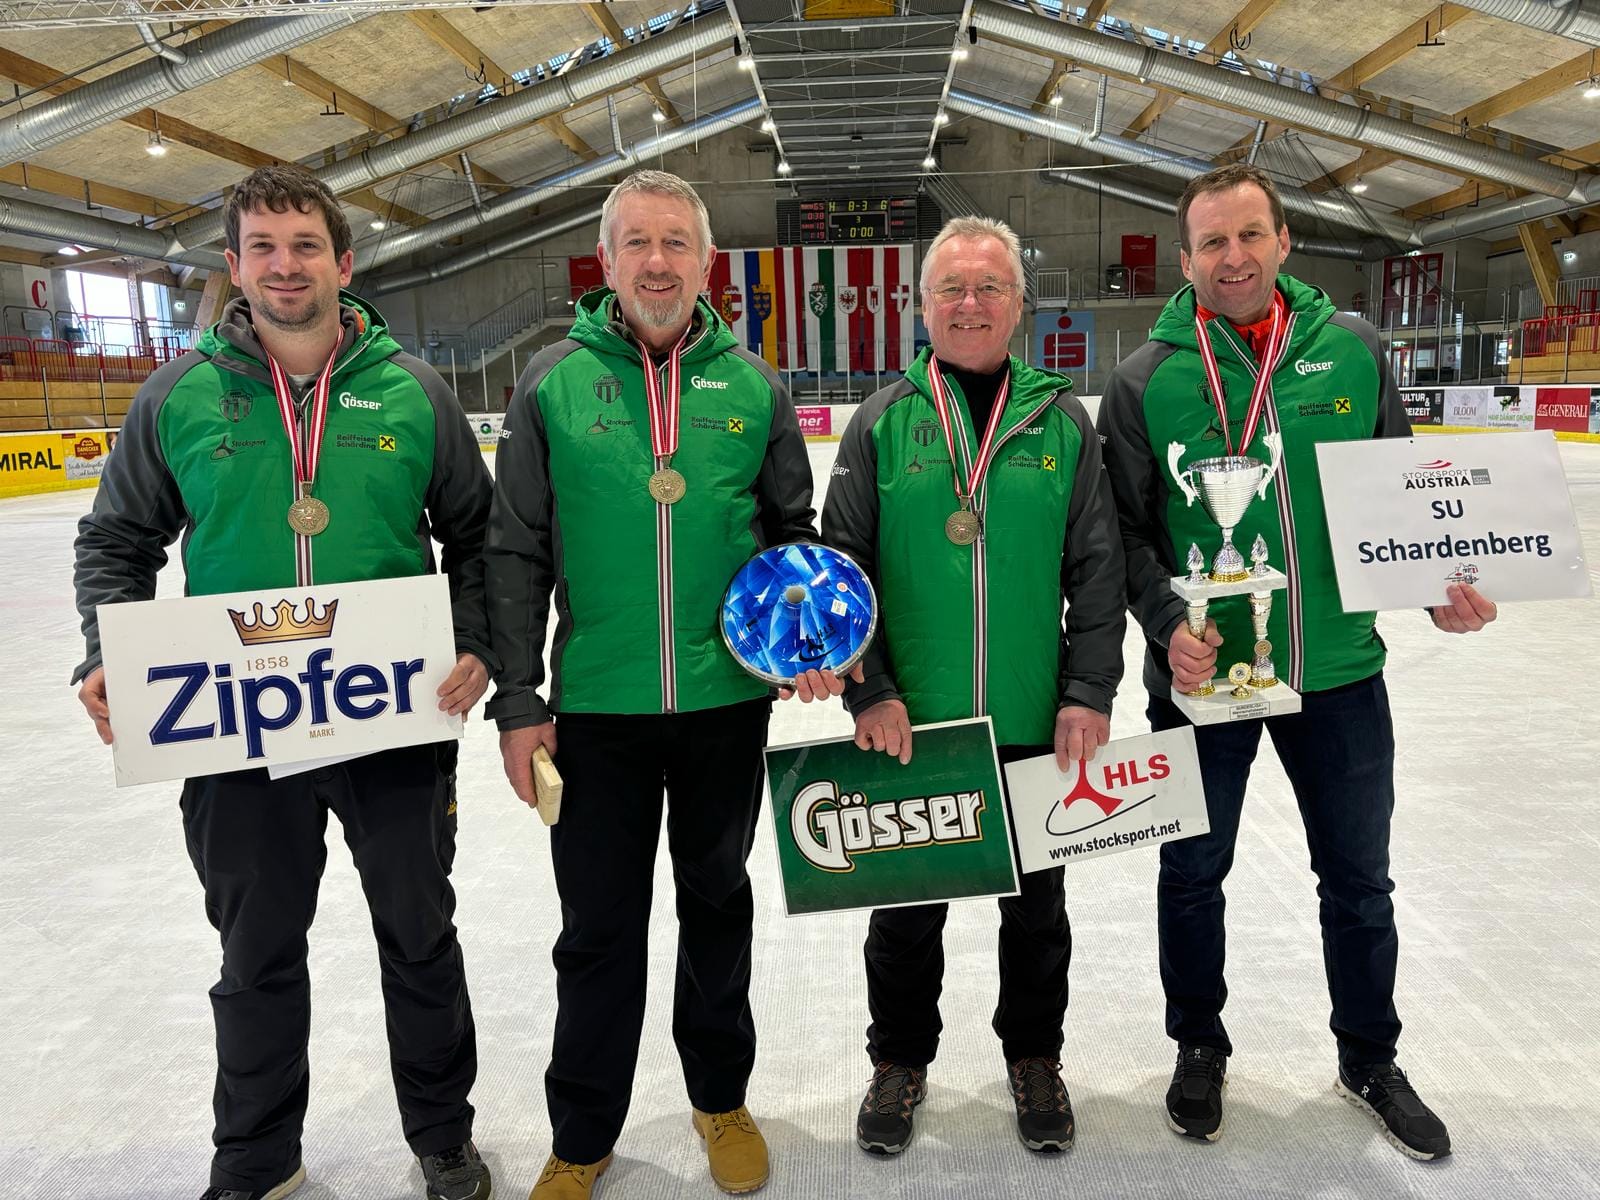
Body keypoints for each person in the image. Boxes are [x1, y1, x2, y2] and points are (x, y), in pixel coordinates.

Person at [71, 166, 495, 1200]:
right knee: (255, 949)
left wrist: (478, 638)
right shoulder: (178, 396)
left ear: (343, 263)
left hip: (387, 715)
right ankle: (257, 1154)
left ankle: (442, 1133)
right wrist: (100, 651)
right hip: (233, 726)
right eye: (262, 246)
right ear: (233, 266)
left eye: (304, 244)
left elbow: (480, 539)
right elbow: (116, 542)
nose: (284, 264)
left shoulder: (415, 392)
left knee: (418, 933)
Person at [1098, 163, 1497, 1162]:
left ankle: (1369, 1055)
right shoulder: (1147, 379)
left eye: (1248, 236)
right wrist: (1165, 626)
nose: (1231, 258)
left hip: (1339, 675)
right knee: (1191, 873)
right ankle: (1198, 1044)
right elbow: (1121, 535)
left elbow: (1402, 505)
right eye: (1211, 244)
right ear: (1184, 262)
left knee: (1358, 880)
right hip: (1202, 685)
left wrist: (1436, 588)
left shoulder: (1354, 352)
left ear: (1282, 243)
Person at [485, 169, 846, 1200]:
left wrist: (804, 636)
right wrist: (520, 701)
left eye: (675, 243)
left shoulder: (754, 386)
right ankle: (582, 1133)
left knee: (717, 906)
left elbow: (791, 538)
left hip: (725, 710)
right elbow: (513, 552)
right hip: (593, 712)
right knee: (596, 932)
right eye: (636, 243)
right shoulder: (551, 382)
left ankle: (720, 1099)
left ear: (705, 262)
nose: (656, 262)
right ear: (606, 261)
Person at [821, 216, 1126, 1158]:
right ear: (921, 306)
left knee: (1038, 913)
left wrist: (1089, 688)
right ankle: (899, 1060)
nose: (969, 304)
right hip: (914, 723)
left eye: (989, 287)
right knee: (905, 914)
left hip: (1035, 718)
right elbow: (842, 566)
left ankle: (1035, 1056)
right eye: (950, 288)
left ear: (1019, 307)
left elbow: (1100, 566)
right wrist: (868, 690)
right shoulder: (880, 421)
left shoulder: (1062, 420)